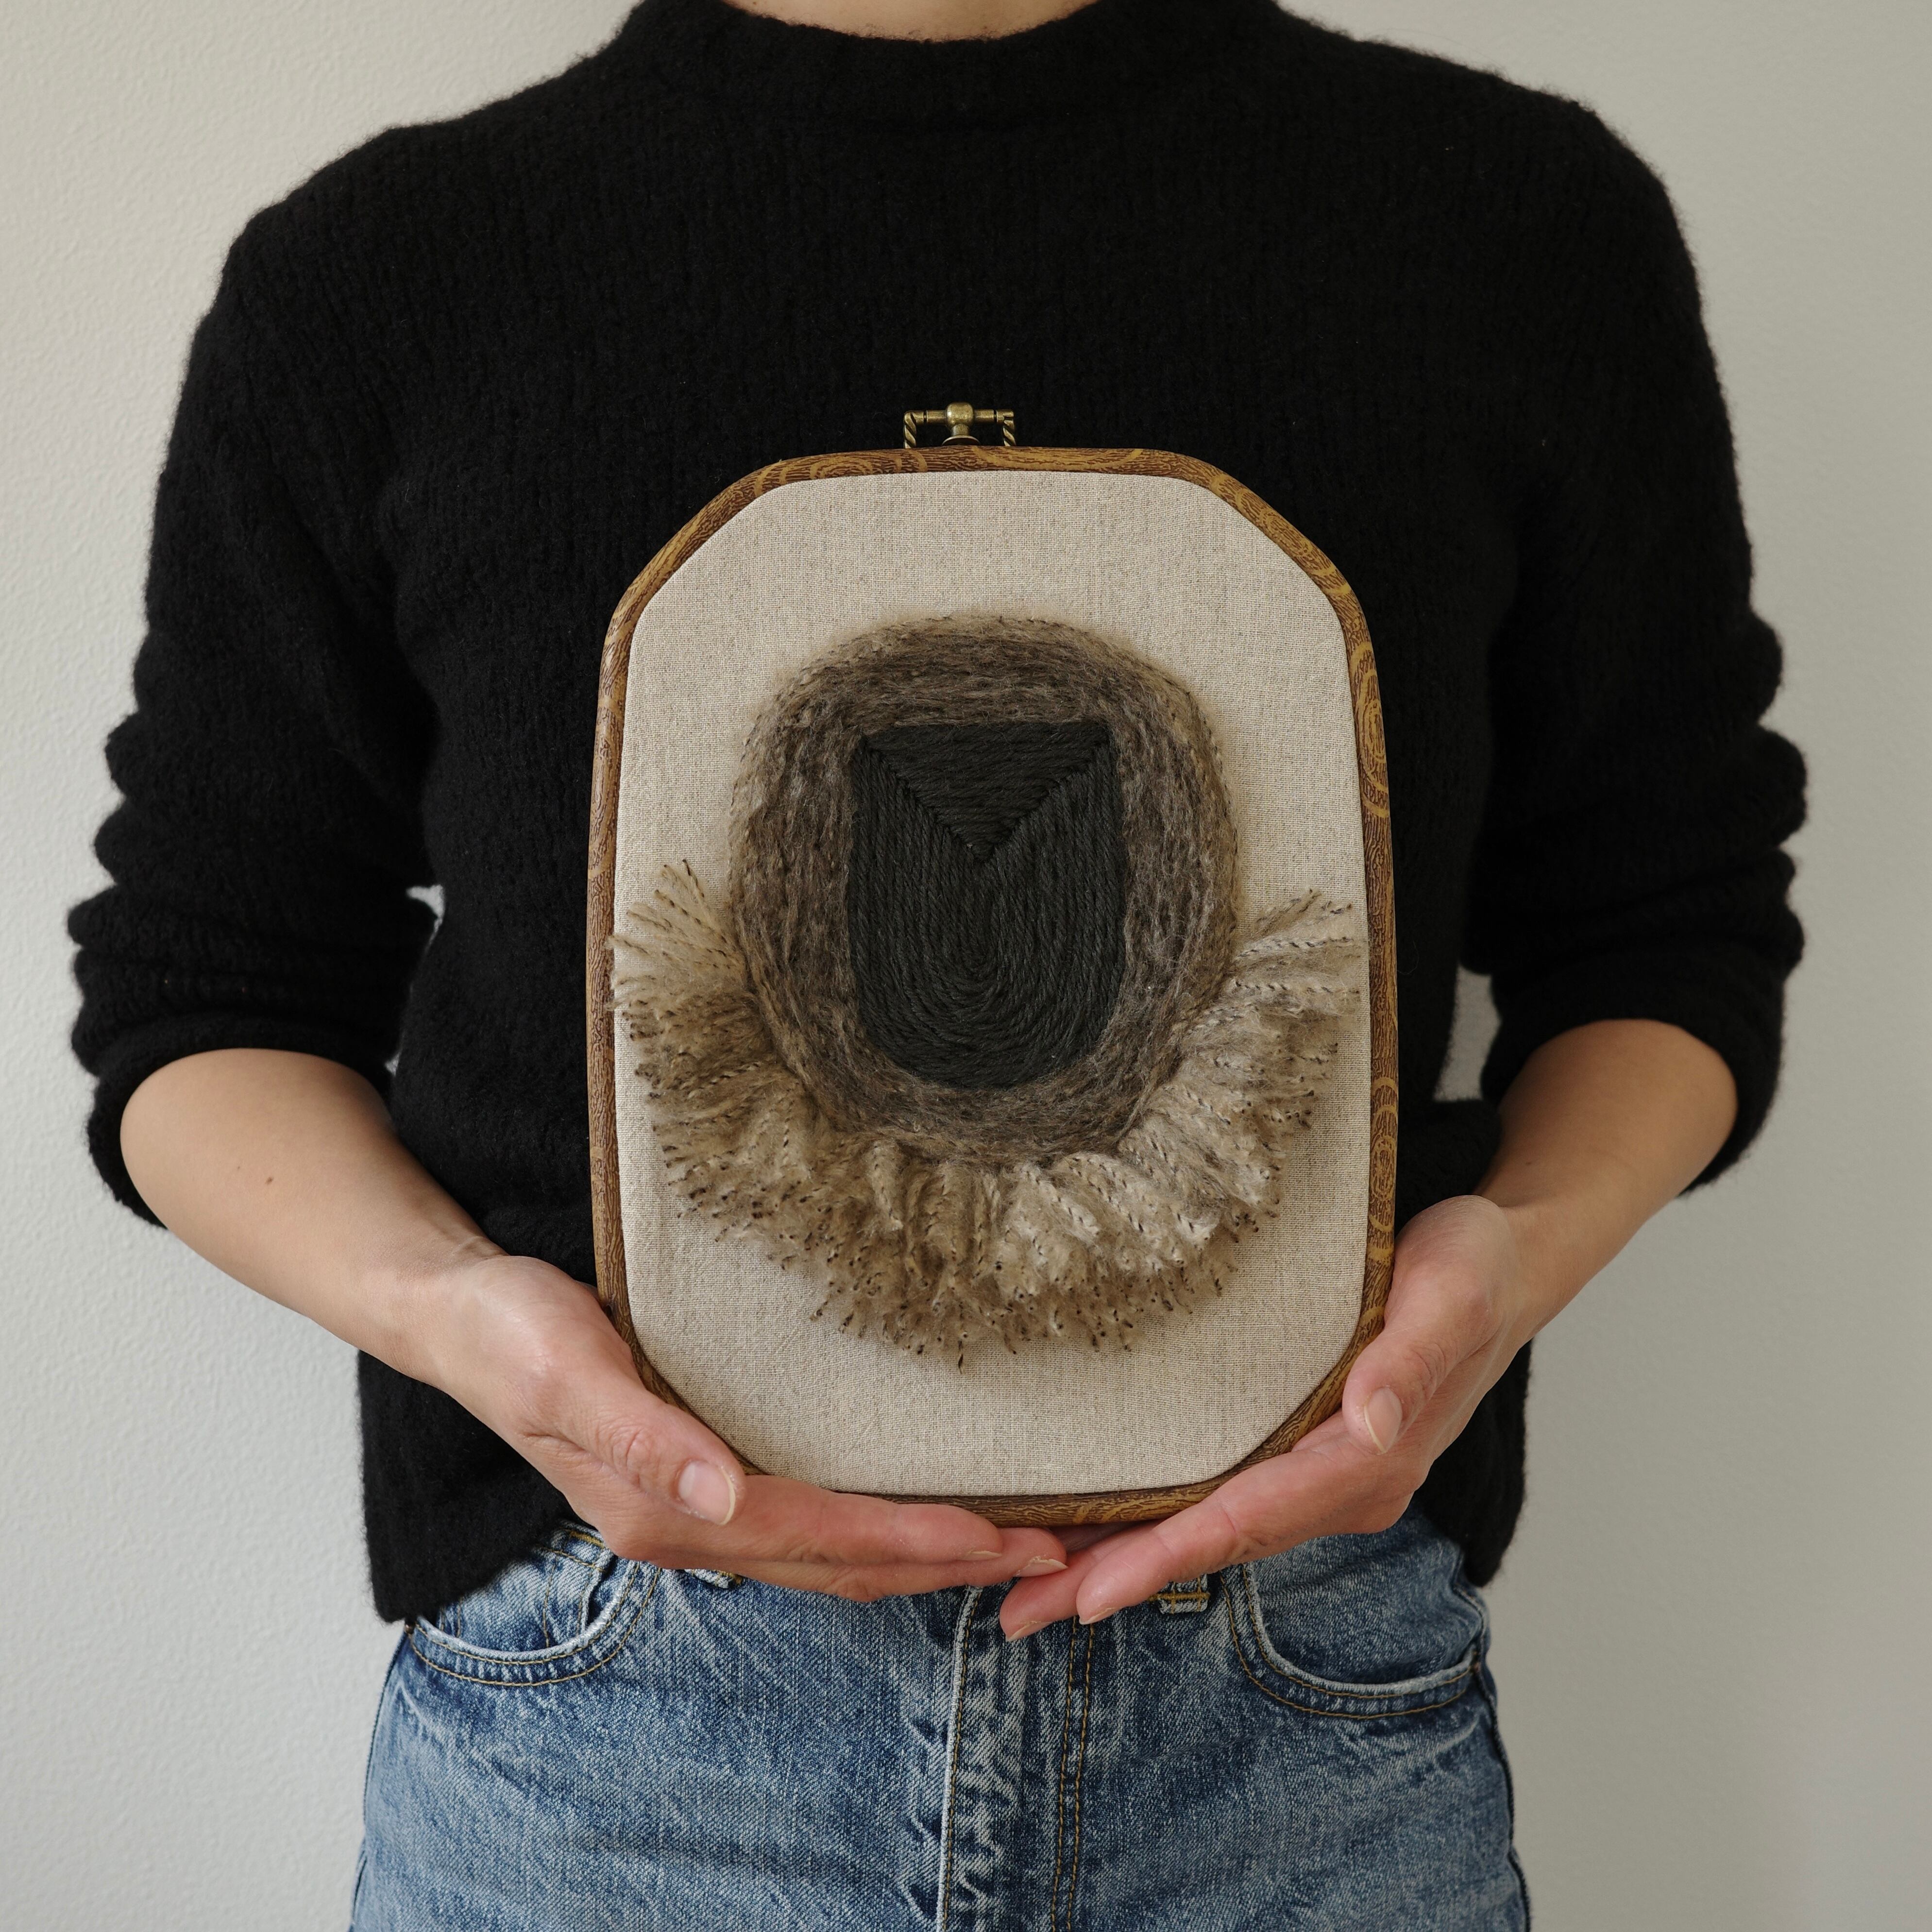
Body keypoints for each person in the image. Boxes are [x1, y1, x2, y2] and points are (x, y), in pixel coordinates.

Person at [68, 0, 1805, 1923]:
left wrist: (1514, 1259)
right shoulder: (384, 277)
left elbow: (1664, 919)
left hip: (1296, 1707)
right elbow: (205, 994)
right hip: (616, 1724)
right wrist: (465, 1320)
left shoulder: (1510, 224)